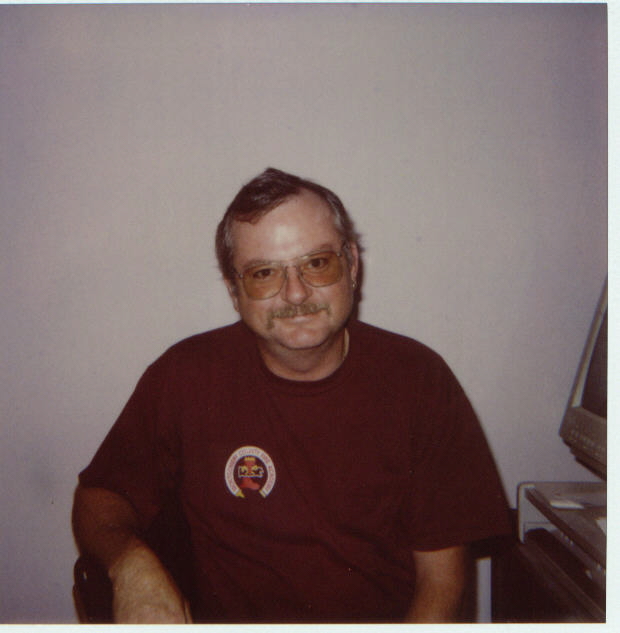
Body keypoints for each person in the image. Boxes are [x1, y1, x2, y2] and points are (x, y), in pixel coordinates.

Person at [72, 167, 511, 624]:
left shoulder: (420, 381)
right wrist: (131, 565)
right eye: (264, 273)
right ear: (234, 291)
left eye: (317, 263)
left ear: (352, 265)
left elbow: (442, 584)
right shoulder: (184, 376)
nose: (296, 293)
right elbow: (99, 497)